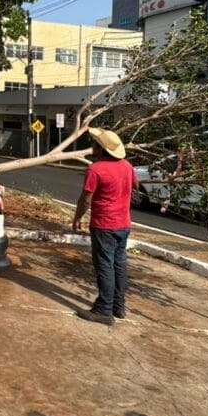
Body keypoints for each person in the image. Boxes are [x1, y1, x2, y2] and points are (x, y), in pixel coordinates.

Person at [71, 128, 138, 325]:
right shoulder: (127, 166)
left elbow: (86, 199)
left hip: (104, 225)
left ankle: (103, 310)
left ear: (100, 149)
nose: (92, 146)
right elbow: (135, 185)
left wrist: (77, 217)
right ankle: (119, 307)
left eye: (94, 144)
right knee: (119, 264)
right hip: (123, 224)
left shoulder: (96, 169)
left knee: (105, 266)